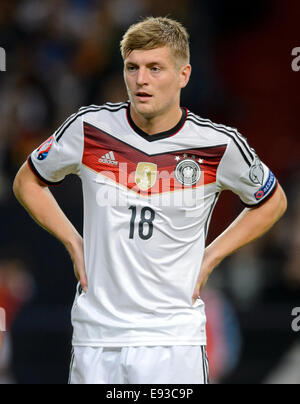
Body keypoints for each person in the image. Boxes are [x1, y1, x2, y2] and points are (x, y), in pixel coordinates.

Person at [13, 17, 287, 385]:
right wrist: (73, 242)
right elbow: (27, 180)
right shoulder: (90, 128)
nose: (141, 80)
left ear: (183, 74)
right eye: (132, 67)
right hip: (97, 336)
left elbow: (272, 201)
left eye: (155, 68)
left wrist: (212, 255)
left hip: (172, 339)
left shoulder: (217, 144)